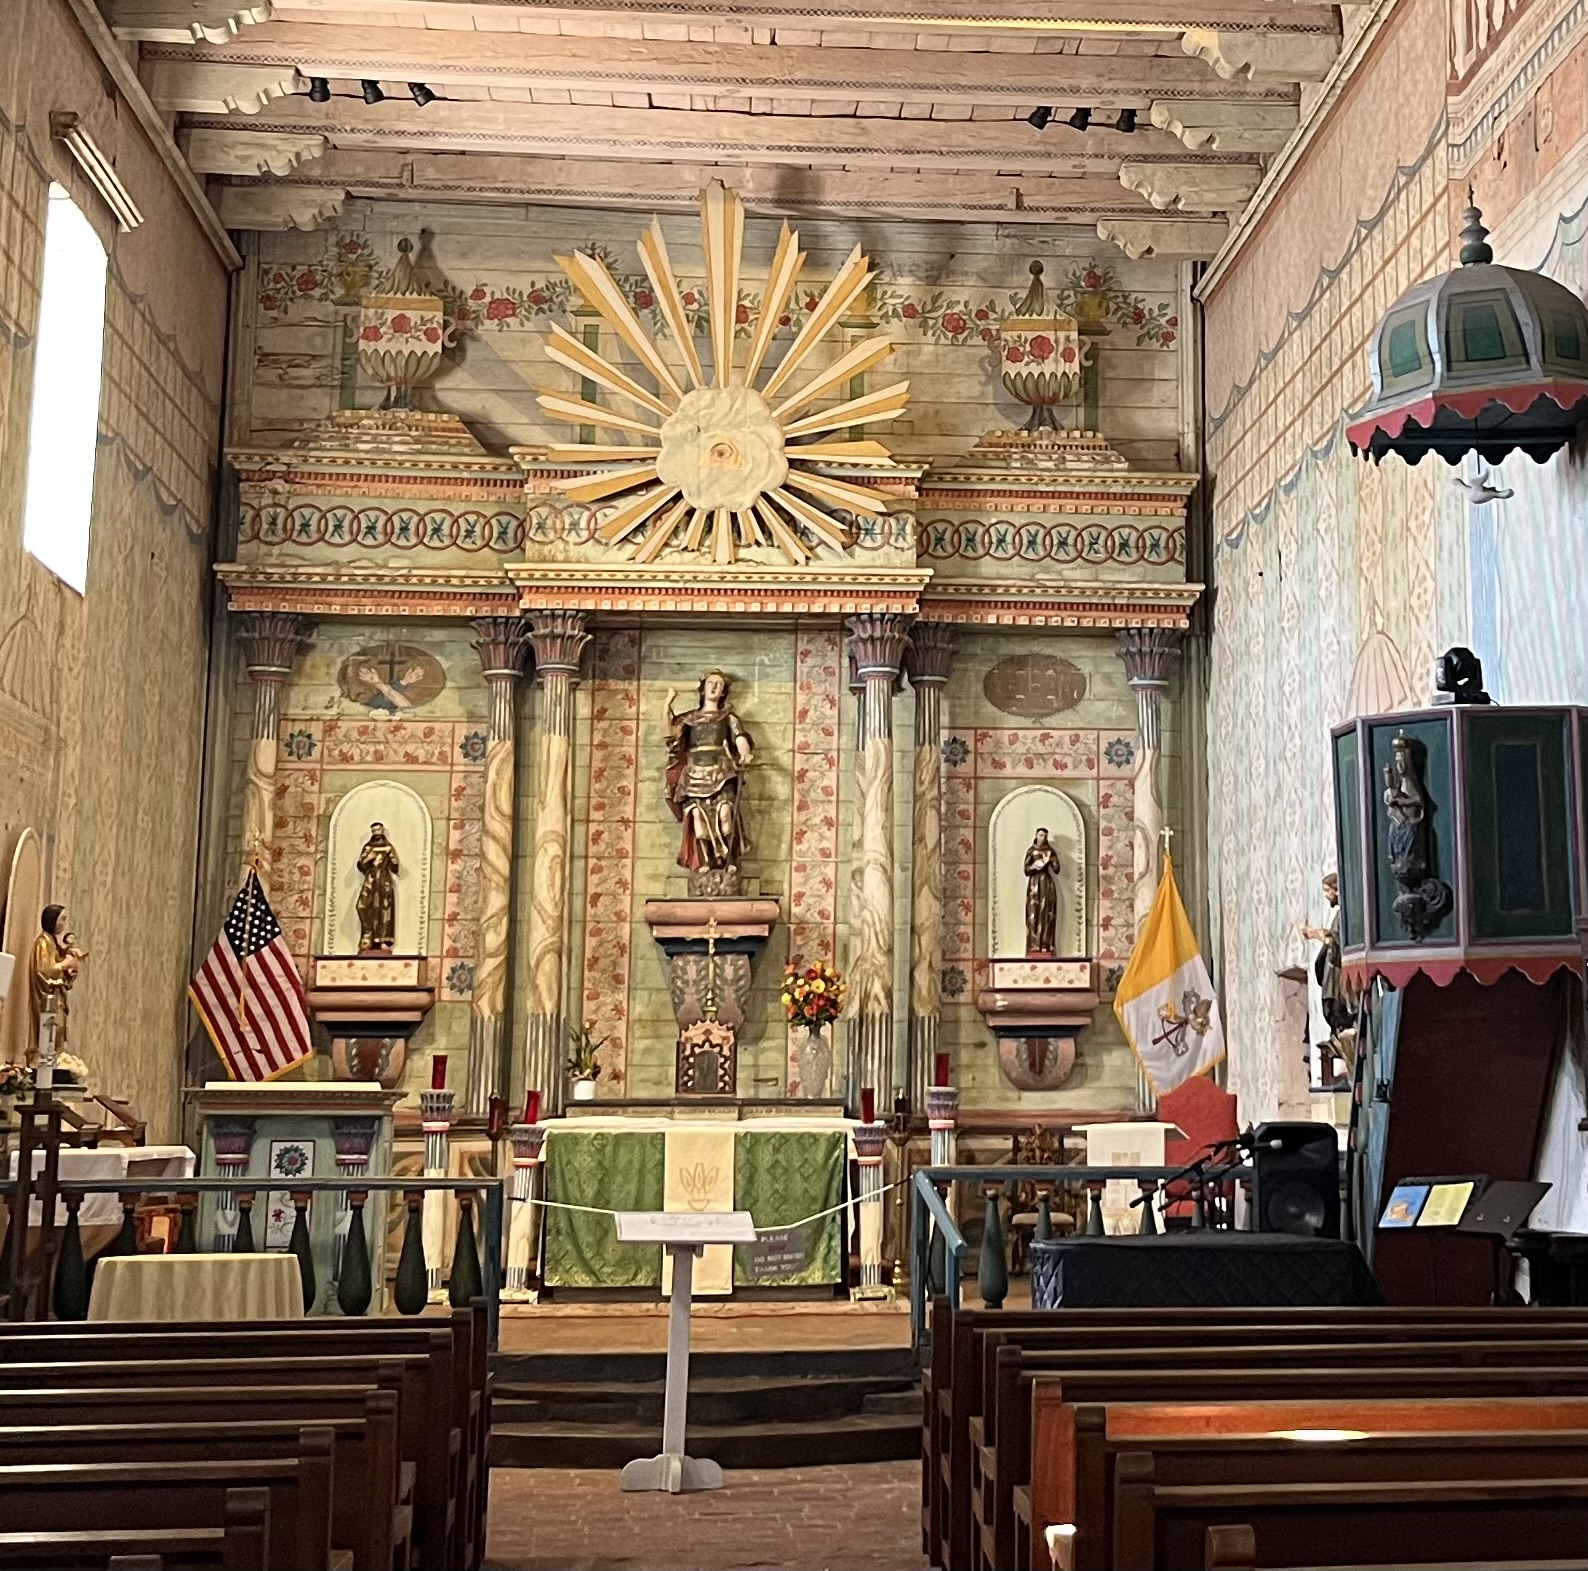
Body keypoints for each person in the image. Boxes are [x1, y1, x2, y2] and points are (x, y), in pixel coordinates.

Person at [664, 671, 754, 872]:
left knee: (725, 818)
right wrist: (666, 706)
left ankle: (728, 859)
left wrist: (744, 753)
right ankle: (705, 861)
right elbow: (669, 735)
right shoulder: (690, 719)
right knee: (699, 822)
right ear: (703, 688)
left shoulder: (728, 718)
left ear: (723, 692)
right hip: (693, 774)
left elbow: (739, 737)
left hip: (721, 773)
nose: (714, 687)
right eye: (711, 683)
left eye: (719, 685)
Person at [27, 904, 81, 1062]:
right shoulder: (42, 943)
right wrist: (65, 964)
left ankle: (54, 1062)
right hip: (47, 999)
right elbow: (44, 970)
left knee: (58, 1030)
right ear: (52, 920)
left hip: (56, 997)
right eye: (62, 919)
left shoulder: (51, 943)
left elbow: (58, 965)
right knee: (51, 1030)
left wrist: (70, 967)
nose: (64, 923)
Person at [356, 822, 399, 952]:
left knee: (382, 909)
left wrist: (390, 859)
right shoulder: (368, 847)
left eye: (378, 830)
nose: (376, 834)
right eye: (374, 831)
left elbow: (395, 866)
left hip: (383, 880)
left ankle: (380, 939)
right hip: (371, 878)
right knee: (362, 906)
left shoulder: (387, 847)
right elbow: (360, 865)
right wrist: (368, 858)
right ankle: (368, 934)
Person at [1023, 828, 1060, 955]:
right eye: (1040, 835)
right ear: (1036, 835)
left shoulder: (1050, 851)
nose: (1042, 838)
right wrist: (1033, 866)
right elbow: (1026, 870)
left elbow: (1057, 869)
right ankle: (1033, 944)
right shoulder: (1031, 850)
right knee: (1033, 913)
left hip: (1046, 884)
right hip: (1034, 884)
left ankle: (1046, 944)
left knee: (1047, 913)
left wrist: (1051, 860)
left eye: (1045, 836)